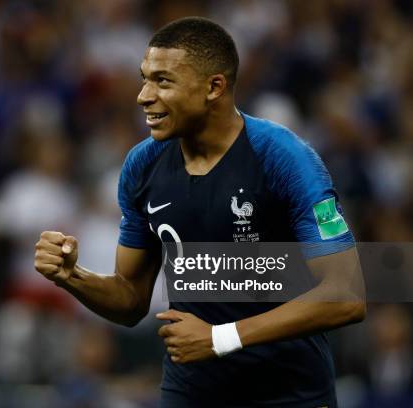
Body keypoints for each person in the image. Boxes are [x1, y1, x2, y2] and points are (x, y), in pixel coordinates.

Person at [34, 17, 366, 407]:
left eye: (163, 81)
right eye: (144, 79)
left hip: (289, 393)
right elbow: (130, 300)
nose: (143, 95)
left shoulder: (284, 158)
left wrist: (219, 338)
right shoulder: (143, 167)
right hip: (191, 391)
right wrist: (73, 275)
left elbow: (346, 296)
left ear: (214, 87)